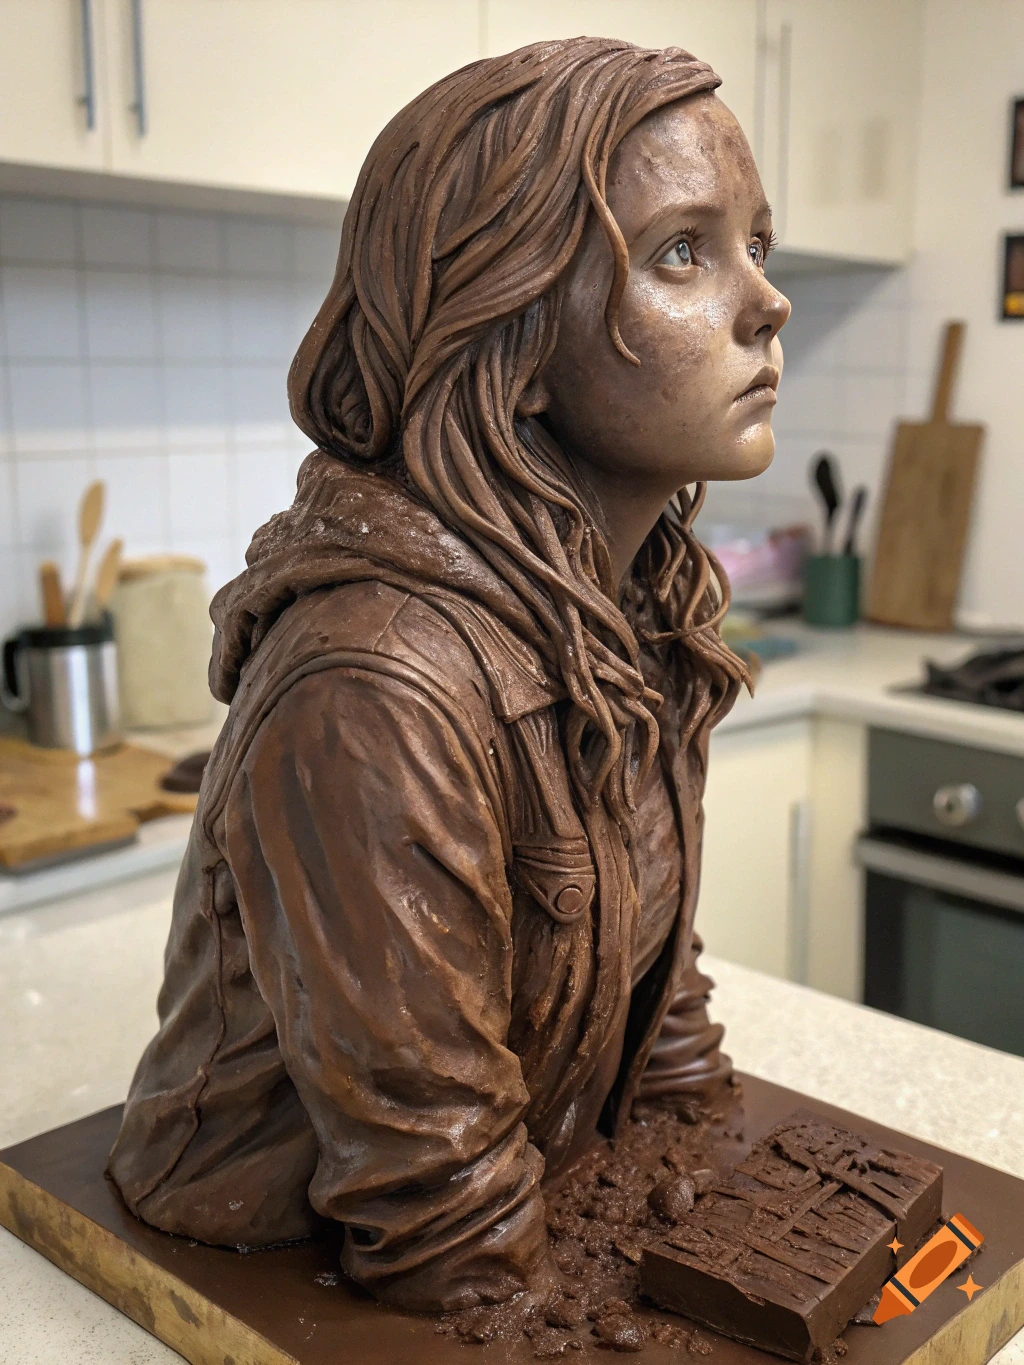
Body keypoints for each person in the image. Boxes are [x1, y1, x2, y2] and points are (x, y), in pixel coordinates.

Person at [108, 36, 790, 1314]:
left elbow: (660, 993)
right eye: (682, 252)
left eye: (759, 243)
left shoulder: (642, 611)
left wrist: (726, 1167)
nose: (767, 302)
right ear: (511, 327)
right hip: (292, 1238)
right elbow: (431, 1206)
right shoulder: (375, 687)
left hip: (533, 1167)